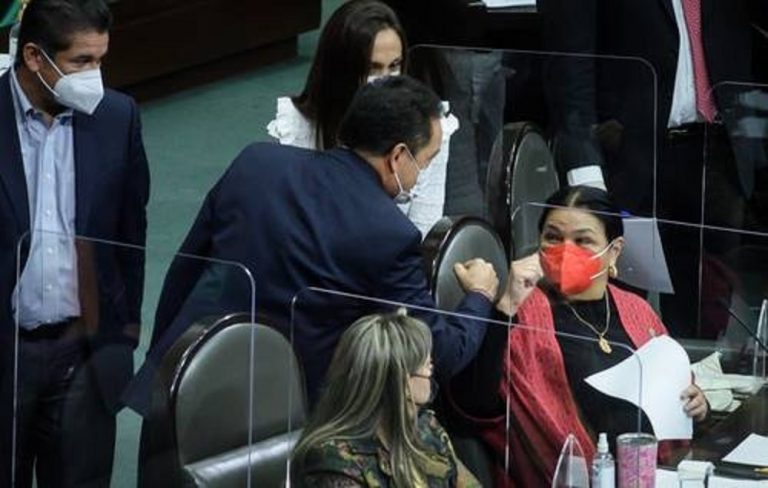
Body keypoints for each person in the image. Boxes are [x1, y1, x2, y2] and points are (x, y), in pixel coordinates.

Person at [129, 76, 500, 421]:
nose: (422, 175)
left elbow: (187, 269)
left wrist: (162, 361)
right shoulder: (390, 235)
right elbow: (436, 353)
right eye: (426, 160)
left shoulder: (256, 162)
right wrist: (479, 297)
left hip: (184, 384)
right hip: (280, 420)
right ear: (398, 156)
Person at [447, 186, 708, 487]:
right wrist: (506, 307)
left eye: (583, 240)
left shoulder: (637, 310)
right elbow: (472, 407)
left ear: (614, 251)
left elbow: (677, 392)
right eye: (553, 237)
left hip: (654, 475)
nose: (565, 250)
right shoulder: (519, 313)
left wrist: (696, 405)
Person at [539, 0, 768, 337]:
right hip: (626, 158)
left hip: (718, 155)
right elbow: (569, 62)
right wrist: (584, 168)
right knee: (614, 310)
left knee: (705, 308)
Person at [0, 0, 150, 486]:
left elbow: (130, 234)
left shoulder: (117, 117)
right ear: (34, 57)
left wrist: (121, 335)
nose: (94, 77)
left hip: (83, 354)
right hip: (8, 352)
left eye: (101, 60)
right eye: (81, 61)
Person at [266, 0, 459, 237]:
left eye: (394, 66)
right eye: (372, 69)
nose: (386, 81)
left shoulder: (428, 130)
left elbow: (423, 233)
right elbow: (289, 226)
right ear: (340, 72)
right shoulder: (295, 128)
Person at [291, 310, 480, 487]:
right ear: (402, 382)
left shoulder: (425, 427)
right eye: (426, 366)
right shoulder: (332, 460)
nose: (431, 371)